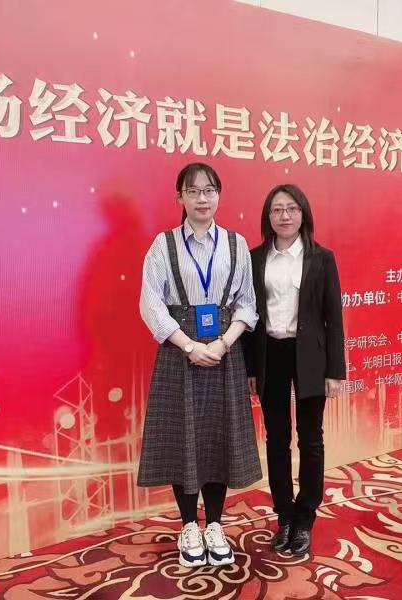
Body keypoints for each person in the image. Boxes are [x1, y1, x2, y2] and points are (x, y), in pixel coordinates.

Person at [137, 162, 262, 568]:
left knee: (218, 436)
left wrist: (224, 343)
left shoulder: (236, 244)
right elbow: (151, 304)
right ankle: (189, 524)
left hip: (225, 349)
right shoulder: (163, 245)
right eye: (193, 191)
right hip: (180, 350)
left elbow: (247, 303)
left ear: (219, 195)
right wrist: (189, 345)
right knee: (183, 437)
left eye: (209, 190)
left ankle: (216, 524)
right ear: (180, 197)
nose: (202, 198)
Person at [242, 183, 346, 556]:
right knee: (277, 439)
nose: (284, 216)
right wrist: (250, 368)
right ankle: (284, 515)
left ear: (303, 214)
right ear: (267, 217)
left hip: (310, 357)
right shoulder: (254, 258)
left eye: (291, 209)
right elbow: (248, 316)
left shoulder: (322, 258)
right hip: (270, 353)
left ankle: (305, 518)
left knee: (311, 439)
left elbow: (333, 317)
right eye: (277, 210)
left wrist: (335, 371)